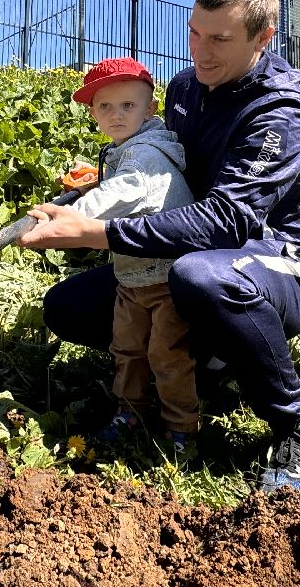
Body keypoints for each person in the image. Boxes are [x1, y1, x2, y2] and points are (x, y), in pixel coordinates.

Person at [19, 0, 300, 491]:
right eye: (194, 33)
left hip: (273, 261)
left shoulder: (282, 110)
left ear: (263, 37)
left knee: (202, 280)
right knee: (66, 307)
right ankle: (198, 366)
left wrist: (100, 234)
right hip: (187, 254)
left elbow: (229, 220)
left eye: (221, 40)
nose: (200, 53)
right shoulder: (187, 87)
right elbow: (166, 161)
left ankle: (297, 424)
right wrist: (112, 176)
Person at [60, 56, 199, 451]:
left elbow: (121, 193)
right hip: (132, 277)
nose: (116, 115)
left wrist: (65, 215)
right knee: (127, 349)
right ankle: (130, 413)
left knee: (167, 355)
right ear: (92, 112)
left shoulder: (148, 156)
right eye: (105, 107)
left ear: (150, 109)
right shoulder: (126, 149)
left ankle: (181, 430)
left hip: (165, 276)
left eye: (128, 106)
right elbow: (117, 187)